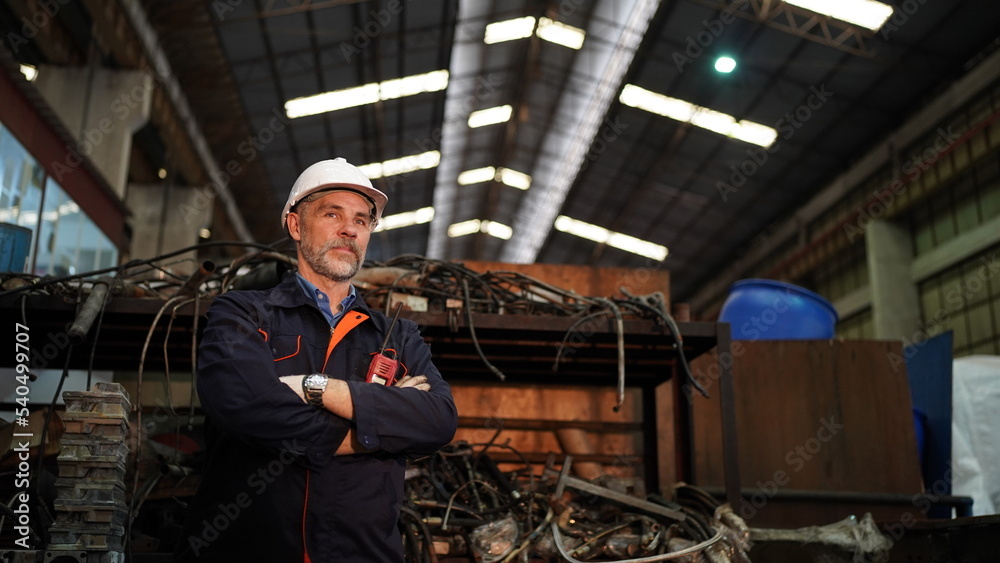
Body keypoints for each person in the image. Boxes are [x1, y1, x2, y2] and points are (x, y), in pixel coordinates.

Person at [175, 158, 458, 562]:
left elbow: (438, 420)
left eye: (362, 220)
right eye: (332, 214)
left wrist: (319, 389)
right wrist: (377, 434)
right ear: (295, 225)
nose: (349, 229)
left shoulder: (398, 336)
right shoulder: (242, 314)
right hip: (249, 550)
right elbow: (248, 408)